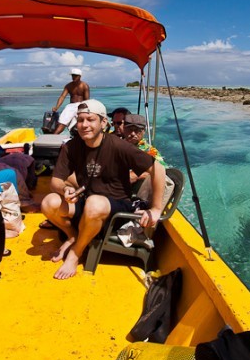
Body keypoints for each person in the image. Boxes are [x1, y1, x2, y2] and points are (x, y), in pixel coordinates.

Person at [40, 99, 165, 280]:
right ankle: (73, 235)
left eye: (90, 119)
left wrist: (155, 208)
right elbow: (56, 181)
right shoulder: (71, 147)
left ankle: (76, 252)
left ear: (103, 122)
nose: (84, 125)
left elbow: (158, 169)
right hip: (88, 203)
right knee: (49, 202)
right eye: (80, 120)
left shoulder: (118, 146)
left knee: (94, 203)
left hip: (116, 210)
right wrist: (65, 189)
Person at [120, 113, 166, 184]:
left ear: (144, 131)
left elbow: (162, 171)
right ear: (124, 129)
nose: (132, 133)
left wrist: (137, 175)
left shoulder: (150, 151)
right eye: (129, 129)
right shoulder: (117, 145)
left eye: (137, 130)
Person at [51, 68, 90, 134]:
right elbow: (62, 96)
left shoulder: (84, 85)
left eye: (75, 75)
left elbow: (87, 100)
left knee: (76, 126)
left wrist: (86, 110)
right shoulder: (68, 86)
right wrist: (57, 107)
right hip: (71, 106)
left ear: (80, 76)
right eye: (72, 75)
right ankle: (51, 139)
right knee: (62, 123)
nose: (73, 77)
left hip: (81, 105)